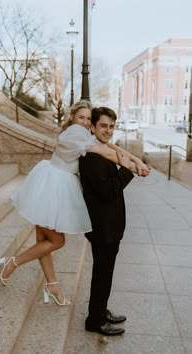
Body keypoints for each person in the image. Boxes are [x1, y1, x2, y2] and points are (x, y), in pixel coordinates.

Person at [0, 101, 149, 306]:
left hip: (54, 185)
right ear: (73, 118)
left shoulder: (84, 135)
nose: (84, 122)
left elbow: (111, 146)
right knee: (57, 241)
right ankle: (12, 263)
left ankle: (52, 286)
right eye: (81, 118)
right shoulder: (74, 133)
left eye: (88, 119)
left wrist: (136, 160)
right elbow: (106, 151)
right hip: (52, 187)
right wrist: (133, 166)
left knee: (43, 241)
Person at [79, 106, 147, 336]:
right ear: (92, 126)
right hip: (103, 228)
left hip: (109, 226)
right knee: (102, 274)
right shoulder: (91, 156)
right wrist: (127, 169)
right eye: (103, 126)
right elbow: (108, 191)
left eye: (111, 126)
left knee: (105, 273)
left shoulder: (101, 150)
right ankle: (94, 321)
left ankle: (100, 311)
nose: (108, 130)